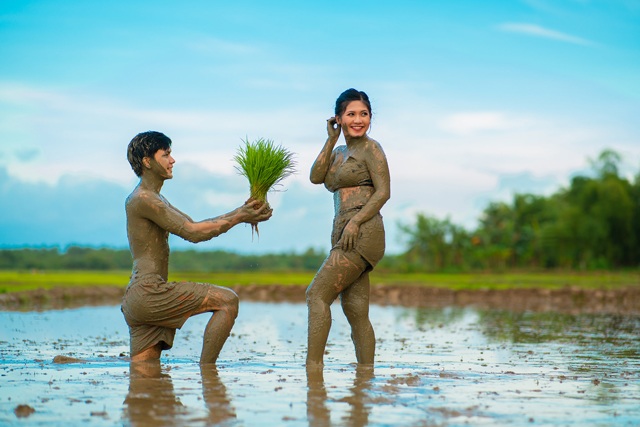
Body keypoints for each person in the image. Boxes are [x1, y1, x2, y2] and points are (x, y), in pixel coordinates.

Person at [121, 130, 272, 364]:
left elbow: (193, 225)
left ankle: (63, 362)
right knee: (227, 301)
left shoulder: (154, 198)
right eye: (166, 155)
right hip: (149, 293)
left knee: (144, 373)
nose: (173, 160)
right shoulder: (144, 199)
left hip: (140, 297)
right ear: (147, 161)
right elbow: (193, 234)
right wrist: (240, 216)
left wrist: (241, 211)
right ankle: (207, 372)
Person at [306, 88, 391, 367]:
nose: (358, 119)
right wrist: (330, 140)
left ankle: (313, 370)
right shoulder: (339, 152)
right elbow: (316, 177)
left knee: (317, 294)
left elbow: (383, 192)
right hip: (342, 230)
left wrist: (355, 222)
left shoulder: (371, 148)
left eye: (364, 114)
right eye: (351, 114)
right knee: (355, 310)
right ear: (339, 119)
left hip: (363, 230)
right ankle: (365, 378)